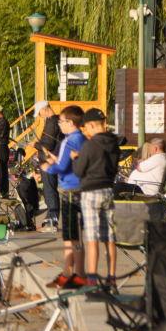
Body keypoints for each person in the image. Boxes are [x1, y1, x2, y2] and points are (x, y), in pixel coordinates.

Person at [71, 109, 120, 293]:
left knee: (92, 238)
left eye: (86, 128)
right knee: (109, 237)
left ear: (91, 125)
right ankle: (112, 280)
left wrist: (75, 158)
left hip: (91, 193)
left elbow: (79, 171)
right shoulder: (114, 144)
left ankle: (91, 281)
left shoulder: (90, 145)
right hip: (108, 191)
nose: (86, 132)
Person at [41, 105, 87, 289]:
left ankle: (74, 274)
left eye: (61, 121)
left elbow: (61, 167)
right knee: (75, 236)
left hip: (71, 191)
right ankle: (76, 273)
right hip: (80, 190)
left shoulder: (69, 142)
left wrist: (47, 168)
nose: (59, 124)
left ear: (71, 122)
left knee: (71, 237)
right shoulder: (82, 139)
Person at [26, 101, 62, 230]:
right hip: (51, 161)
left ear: (45, 109)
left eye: (40, 112)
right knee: (50, 190)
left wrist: (35, 144)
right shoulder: (57, 120)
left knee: (50, 191)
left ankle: (53, 221)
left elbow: (47, 146)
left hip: (49, 162)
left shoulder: (51, 123)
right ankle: (50, 217)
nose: (40, 115)